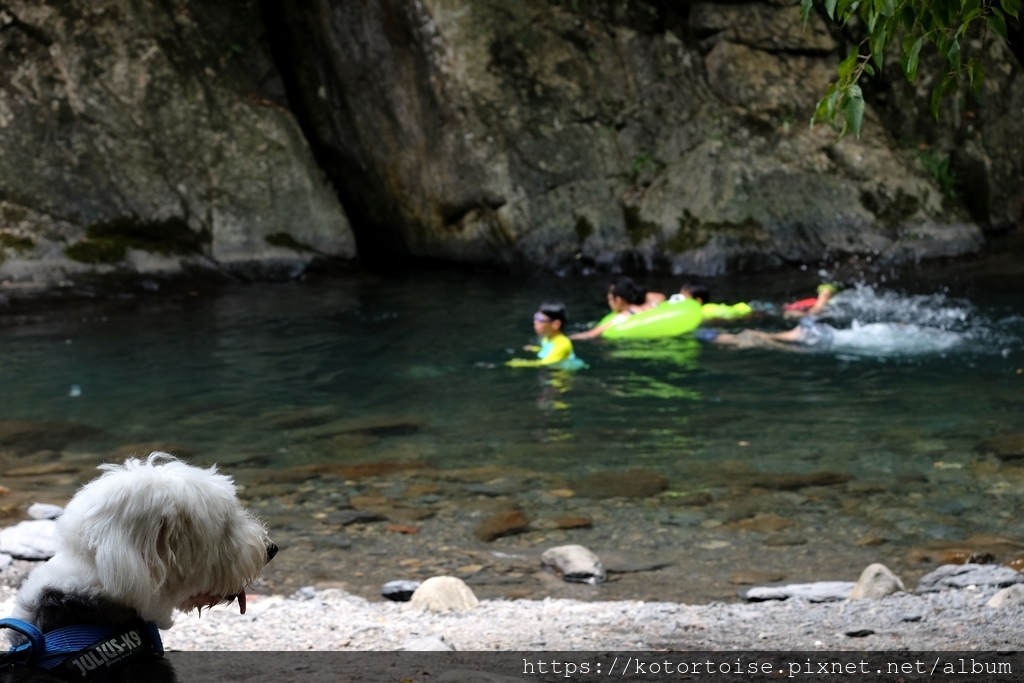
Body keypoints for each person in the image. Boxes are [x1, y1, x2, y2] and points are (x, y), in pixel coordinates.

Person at [506, 302, 585, 369]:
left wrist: (521, 363)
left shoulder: (563, 344)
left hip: (564, 371)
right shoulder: (547, 338)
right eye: (535, 317)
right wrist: (535, 349)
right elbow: (548, 349)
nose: (535, 322)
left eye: (540, 319)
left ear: (556, 324)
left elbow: (545, 362)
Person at [569, 277, 651, 340]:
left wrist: (569, 337)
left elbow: (591, 334)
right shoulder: (649, 304)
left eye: (610, 299)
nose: (609, 303)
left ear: (618, 300)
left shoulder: (622, 317)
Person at [670, 281, 753, 321]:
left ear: (698, 301)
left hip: (743, 311)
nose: (679, 297)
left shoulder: (706, 312)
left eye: (684, 296)